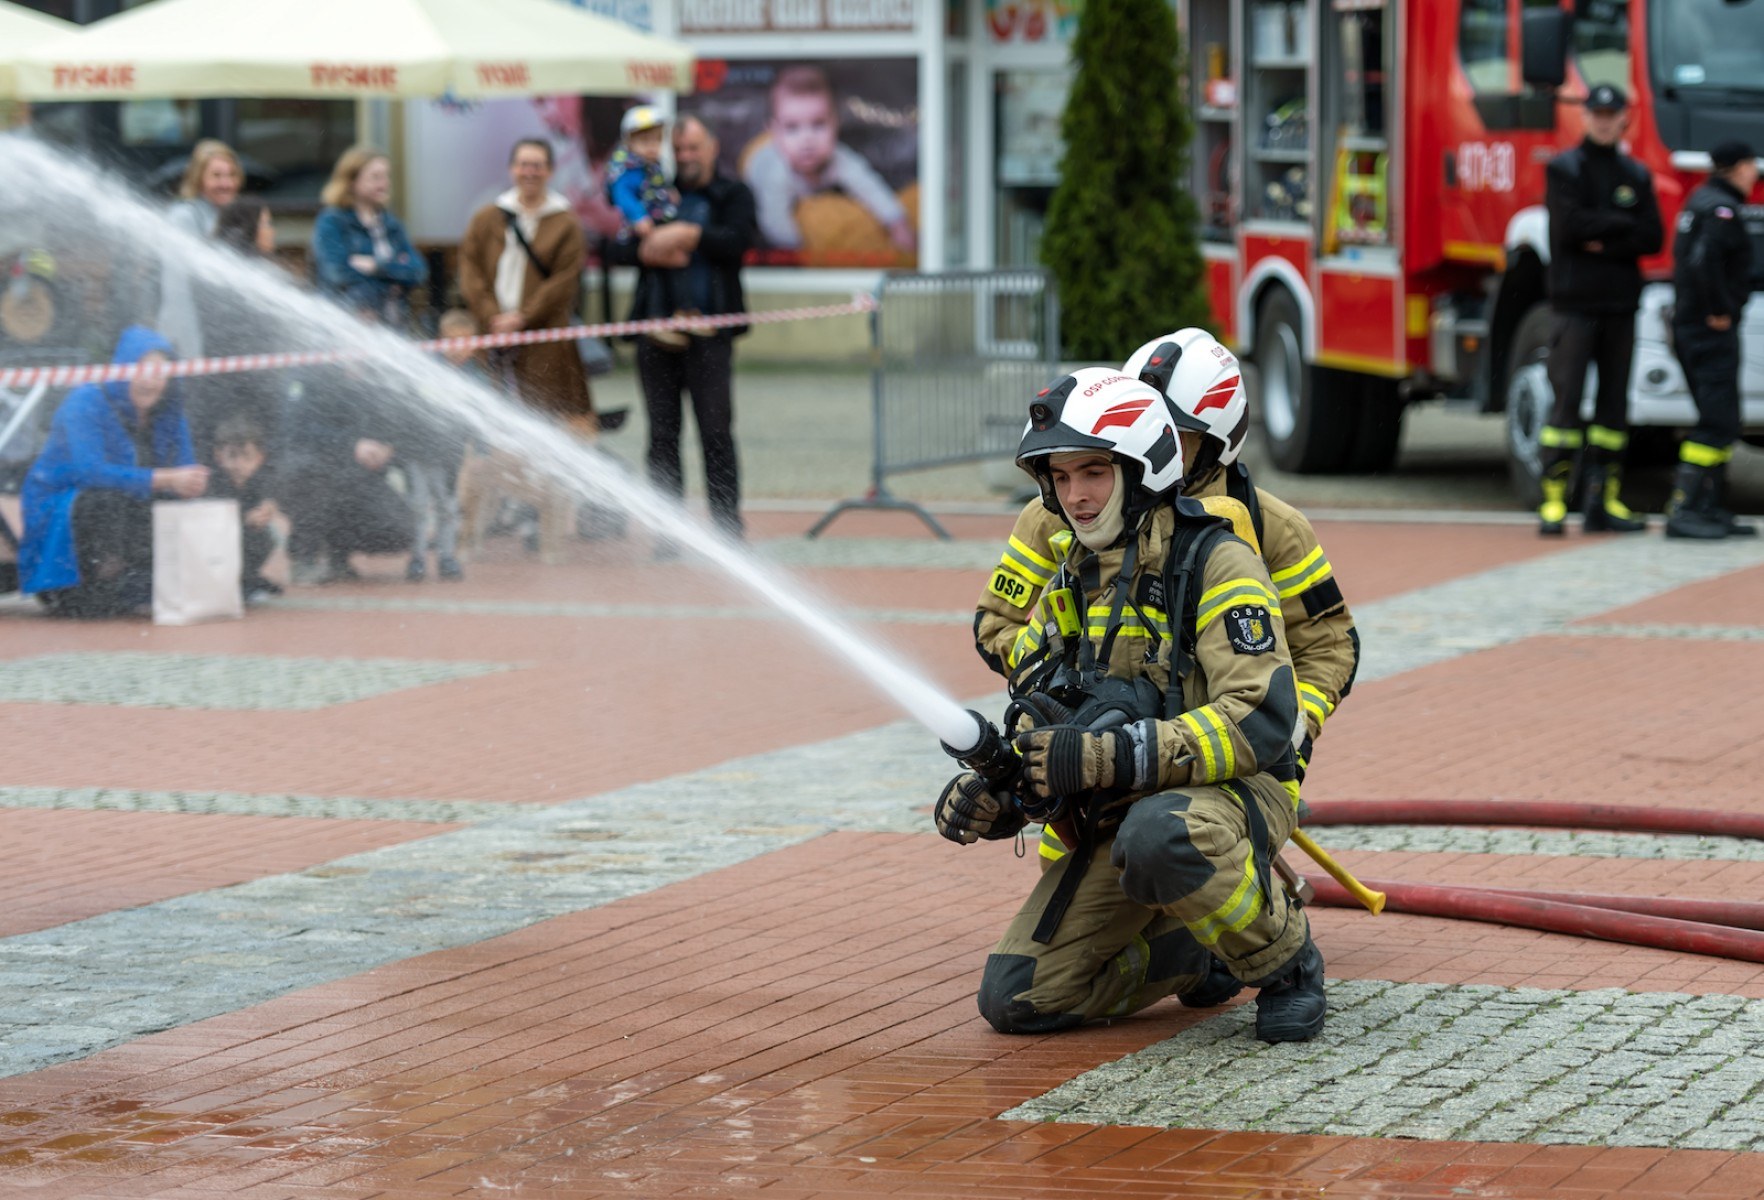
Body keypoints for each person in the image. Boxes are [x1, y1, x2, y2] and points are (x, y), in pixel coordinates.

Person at [935, 368, 1325, 1043]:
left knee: (1161, 835)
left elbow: (1259, 719)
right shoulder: (1069, 585)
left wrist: (1106, 756)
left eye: (1093, 472)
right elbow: (1049, 717)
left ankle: (1287, 965)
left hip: (1235, 791)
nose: (1076, 496)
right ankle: (1196, 951)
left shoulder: (1217, 562)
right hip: (1122, 810)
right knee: (1018, 999)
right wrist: (1004, 795)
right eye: (1059, 478)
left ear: (1142, 469)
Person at [979, 329, 1359, 907]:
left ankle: (1244, 929)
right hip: (1100, 743)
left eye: (1177, 438)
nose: (1157, 448)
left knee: (1194, 847)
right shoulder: (1059, 508)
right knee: (1072, 883)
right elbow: (996, 626)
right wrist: (1071, 688)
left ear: (1220, 441)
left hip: (1221, 737)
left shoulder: (1267, 528)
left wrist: (1293, 726)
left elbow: (1329, 643)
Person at [605, 115, 757, 542]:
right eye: (680, 149)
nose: (686, 156)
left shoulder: (733, 194)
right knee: (661, 436)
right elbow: (616, 245)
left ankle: (727, 529)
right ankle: (667, 534)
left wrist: (690, 234)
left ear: (712, 148)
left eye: (694, 148)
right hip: (656, 333)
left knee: (715, 433)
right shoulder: (655, 189)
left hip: (711, 336)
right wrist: (649, 249)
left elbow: (738, 241)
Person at [1537, 84, 1663, 536]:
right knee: (1566, 404)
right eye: (1597, 113)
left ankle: (1603, 500)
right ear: (1586, 117)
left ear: (1624, 118)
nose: (1604, 120)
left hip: (1620, 305)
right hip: (1575, 306)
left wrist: (1603, 234)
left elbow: (1652, 237)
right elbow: (1570, 229)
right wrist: (1620, 228)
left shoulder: (1636, 173)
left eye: (1612, 113)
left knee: (1614, 409)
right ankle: (1553, 501)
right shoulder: (1565, 168)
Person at [19, 326, 208, 617]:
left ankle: (139, 581)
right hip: (64, 509)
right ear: (122, 368)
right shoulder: (86, 402)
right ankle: (83, 584)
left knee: (184, 508)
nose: (150, 381)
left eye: (160, 373)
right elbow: (90, 473)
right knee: (105, 502)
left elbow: (185, 466)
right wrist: (167, 479)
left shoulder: (169, 410)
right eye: (141, 370)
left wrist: (192, 484)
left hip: (129, 509)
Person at [458, 138, 597, 430]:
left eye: (537, 165)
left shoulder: (566, 222)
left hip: (543, 338)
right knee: (491, 427)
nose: (529, 172)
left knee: (544, 423)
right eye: (523, 164)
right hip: (493, 334)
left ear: (550, 171)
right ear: (512, 169)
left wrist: (521, 318)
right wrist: (493, 316)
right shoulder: (487, 217)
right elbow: (471, 270)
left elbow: (564, 280)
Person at [1666, 141, 1761, 540]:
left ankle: (1709, 506)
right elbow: (1704, 262)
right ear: (1738, 168)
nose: (1755, 174)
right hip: (1709, 330)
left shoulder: (1700, 200)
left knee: (1721, 420)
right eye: (1752, 166)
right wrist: (1719, 309)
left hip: (1695, 327)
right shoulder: (1720, 209)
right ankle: (1686, 508)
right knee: (1717, 422)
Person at [742, 65, 914, 254]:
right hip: (758, 158)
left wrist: (897, 223)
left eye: (818, 124)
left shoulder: (838, 158)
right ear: (774, 131)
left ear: (836, 123)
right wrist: (801, 250)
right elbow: (775, 223)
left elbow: (869, 186)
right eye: (792, 127)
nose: (807, 140)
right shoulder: (776, 174)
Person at [277, 360, 414, 586]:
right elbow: (295, 429)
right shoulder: (308, 374)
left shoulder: (371, 378)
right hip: (307, 470)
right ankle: (303, 559)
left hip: (355, 472)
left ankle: (339, 555)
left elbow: (388, 423)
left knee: (398, 527)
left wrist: (388, 448)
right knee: (315, 485)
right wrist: (351, 445)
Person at [312, 146, 428, 328]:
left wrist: (376, 266)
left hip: (394, 326)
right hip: (346, 326)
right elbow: (336, 273)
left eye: (386, 176)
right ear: (351, 181)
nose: (384, 184)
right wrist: (393, 284)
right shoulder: (332, 221)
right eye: (375, 177)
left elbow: (418, 271)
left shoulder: (392, 224)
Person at [606, 105, 688, 350]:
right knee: (661, 267)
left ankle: (657, 316)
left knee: (659, 270)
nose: (652, 147)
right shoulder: (628, 169)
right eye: (644, 141)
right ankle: (656, 317)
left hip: (655, 224)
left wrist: (669, 195)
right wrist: (638, 217)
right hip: (640, 230)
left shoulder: (651, 166)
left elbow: (656, 188)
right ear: (629, 142)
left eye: (656, 140)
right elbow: (622, 195)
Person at [400, 309, 472, 581]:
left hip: (448, 456)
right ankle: (417, 557)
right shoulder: (425, 370)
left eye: (465, 341)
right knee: (418, 506)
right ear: (441, 340)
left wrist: (480, 451)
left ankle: (447, 556)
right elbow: (408, 409)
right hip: (418, 453)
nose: (459, 348)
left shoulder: (472, 378)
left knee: (447, 508)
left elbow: (478, 420)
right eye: (453, 340)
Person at [158, 138, 242, 361]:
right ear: (199, 179)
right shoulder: (184, 216)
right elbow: (176, 288)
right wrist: (191, 349)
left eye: (231, 175)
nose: (226, 183)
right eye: (216, 176)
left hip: (226, 337)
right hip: (192, 340)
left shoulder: (233, 216)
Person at [206, 416, 281, 602]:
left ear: (259, 458)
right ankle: (237, 583)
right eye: (232, 456)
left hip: (242, 541)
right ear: (218, 456)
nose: (239, 464)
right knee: (251, 536)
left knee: (269, 534)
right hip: (213, 548)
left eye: (247, 457)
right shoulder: (213, 482)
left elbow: (272, 494)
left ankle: (245, 579)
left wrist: (268, 507)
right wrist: (243, 520)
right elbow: (210, 521)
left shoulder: (258, 481)